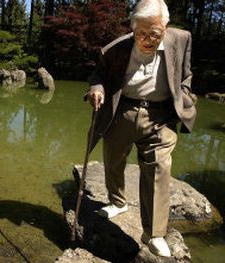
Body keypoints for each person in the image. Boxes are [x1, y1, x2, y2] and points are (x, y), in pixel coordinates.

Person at [84, 0, 196, 258]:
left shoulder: (182, 39)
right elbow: (98, 75)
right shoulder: (116, 48)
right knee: (113, 159)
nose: (147, 39)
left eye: (154, 33)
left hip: (161, 115)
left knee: (158, 167)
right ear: (132, 28)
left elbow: (186, 76)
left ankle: (154, 234)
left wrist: (185, 98)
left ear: (165, 27)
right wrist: (97, 89)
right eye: (140, 33)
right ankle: (117, 202)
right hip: (123, 109)